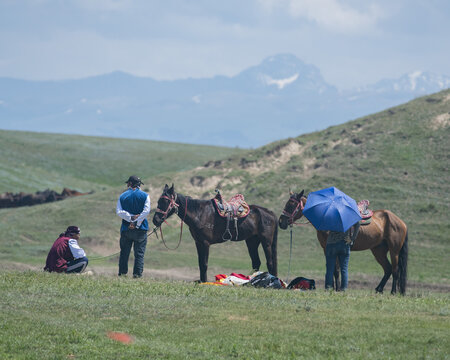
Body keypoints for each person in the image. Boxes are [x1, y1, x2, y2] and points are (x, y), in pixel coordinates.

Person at [116, 175, 150, 278]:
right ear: (139, 185)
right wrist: (137, 223)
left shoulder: (122, 196)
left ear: (130, 184)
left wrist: (130, 218)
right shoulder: (145, 196)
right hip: (141, 229)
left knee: (124, 253)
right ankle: (137, 275)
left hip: (126, 229)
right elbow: (146, 211)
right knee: (139, 254)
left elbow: (119, 212)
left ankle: (122, 274)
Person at [325, 222, 360, 291]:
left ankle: (328, 288)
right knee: (344, 269)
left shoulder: (330, 214)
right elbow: (357, 225)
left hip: (331, 244)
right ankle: (344, 289)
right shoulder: (347, 215)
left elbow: (324, 230)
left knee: (330, 269)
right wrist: (352, 238)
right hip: (344, 243)